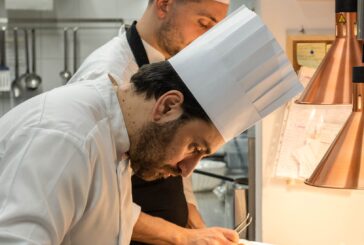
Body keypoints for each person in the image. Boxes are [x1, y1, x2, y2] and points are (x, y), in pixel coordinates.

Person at [0, 6, 302, 244]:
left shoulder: (119, 141)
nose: (187, 169)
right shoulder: (66, 138)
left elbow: (109, 221)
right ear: (168, 106)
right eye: (194, 147)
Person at [68, 0, 229, 242]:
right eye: (203, 24)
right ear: (164, 5)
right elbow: (95, 202)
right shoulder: (108, 73)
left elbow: (179, 156)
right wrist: (182, 236)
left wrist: (195, 222)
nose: (206, 40)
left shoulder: (171, 64)